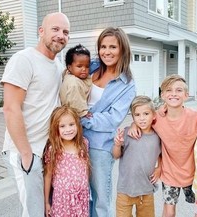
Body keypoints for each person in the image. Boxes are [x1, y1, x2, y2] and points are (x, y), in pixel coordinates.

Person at [128, 74, 197, 217]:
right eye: (169, 90)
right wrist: (133, 124)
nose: (173, 94)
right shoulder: (156, 118)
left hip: (195, 175)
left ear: (186, 95)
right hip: (169, 173)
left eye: (178, 90)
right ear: (163, 95)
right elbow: (142, 118)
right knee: (169, 211)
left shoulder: (195, 117)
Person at [1, 12, 70, 217]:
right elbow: (10, 108)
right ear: (41, 31)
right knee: (34, 212)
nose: (60, 35)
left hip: (47, 152)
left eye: (65, 32)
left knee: (46, 209)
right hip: (25, 152)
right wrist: (26, 154)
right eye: (55, 29)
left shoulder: (58, 67)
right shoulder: (23, 60)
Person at [81, 27, 136, 217]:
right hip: (73, 140)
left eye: (113, 47)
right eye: (103, 46)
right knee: (78, 194)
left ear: (122, 49)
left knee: (100, 199)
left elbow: (112, 119)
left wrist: (80, 118)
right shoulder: (91, 67)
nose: (107, 51)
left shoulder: (127, 84)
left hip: (100, 146)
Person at [112, 95, 162, 217]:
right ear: (133, 117)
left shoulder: (158, 136)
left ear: (154, 115)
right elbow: (115, 155)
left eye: (146, 114)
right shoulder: (128, 133)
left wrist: (159, 167)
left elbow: (162, 154)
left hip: (146, 191)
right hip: (125, 190)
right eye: (137, 115)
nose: (142, 118)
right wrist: (117, 145)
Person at [43, 105, 90, 217]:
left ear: (77, 125)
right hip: (62, 200)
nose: (68, 129)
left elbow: (85, 168)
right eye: (62, 126)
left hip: (81, 197)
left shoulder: (84, 144)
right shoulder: (53, 150)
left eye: (71, 124)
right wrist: (46, 202)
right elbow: (48, 175)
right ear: (56, 128)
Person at [60, 44, 92, 117]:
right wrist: (84, 113)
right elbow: (75, 101)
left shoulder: (73, 76)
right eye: (79, 66)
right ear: (69, 67)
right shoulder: (74, 83)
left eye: (87, 66)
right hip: (73, 115)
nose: (84, 69)